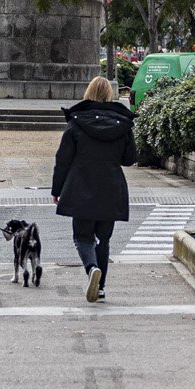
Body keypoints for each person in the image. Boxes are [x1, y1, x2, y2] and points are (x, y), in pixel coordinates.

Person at [52, 75, 137, 302]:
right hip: (111, 186)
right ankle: (100, 287)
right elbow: (129, 159)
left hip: (81, 185)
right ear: (110, 94)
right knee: (104, 239)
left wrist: (57, 189)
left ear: (88, 92)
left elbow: (63, 160)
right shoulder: (122, 124)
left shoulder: (76, 123)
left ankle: (91, 269)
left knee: (82, 236)